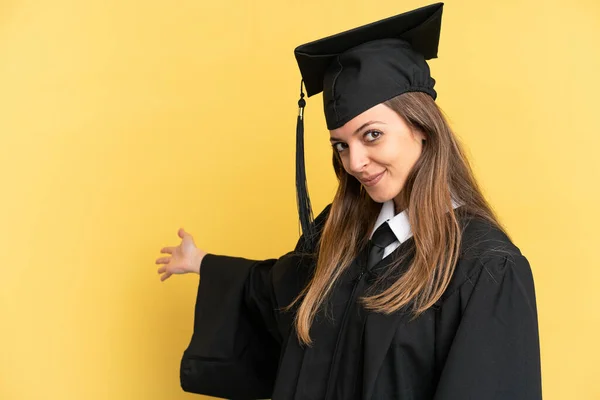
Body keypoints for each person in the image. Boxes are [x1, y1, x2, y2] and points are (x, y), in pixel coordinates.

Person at [155, 3, 542, 399]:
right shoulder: (343, 232)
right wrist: (204, 264)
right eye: (341, 145)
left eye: (372, 135)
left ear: (422, 127)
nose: (354, 162)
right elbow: (280, 290)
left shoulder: (486, 267)